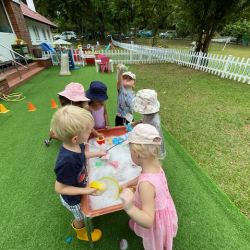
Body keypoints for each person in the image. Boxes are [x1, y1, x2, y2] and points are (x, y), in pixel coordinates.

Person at [51, 105, 106, 242]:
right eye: (88, 132)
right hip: (72, 199)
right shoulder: (66, 162)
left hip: (79, 186)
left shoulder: (77, 145)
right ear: (75, 138)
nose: (90, 133)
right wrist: (86, 191)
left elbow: (82, 155)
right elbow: (60, 188)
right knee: (80, 216)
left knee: (84, 212)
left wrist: (98, 154)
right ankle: (82, 233)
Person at [120, 124, 178, 250]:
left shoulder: (145, 185)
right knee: (163, 233)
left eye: (130, 151)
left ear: (136, 153)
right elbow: (143, 177)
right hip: (164, 210)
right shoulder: (156, 166)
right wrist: (130, 182)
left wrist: (129, 207)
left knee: (158, 237)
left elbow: (148, 221)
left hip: (155, 221)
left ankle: (162, 244)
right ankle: (166, 239)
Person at [132, 89, 166, 159]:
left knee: (152, 159)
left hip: (153, 144)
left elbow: (156, 139)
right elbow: (146, 120)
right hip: (148, 138)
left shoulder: (155, 122)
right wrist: (140, 122)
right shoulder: (148, 113)